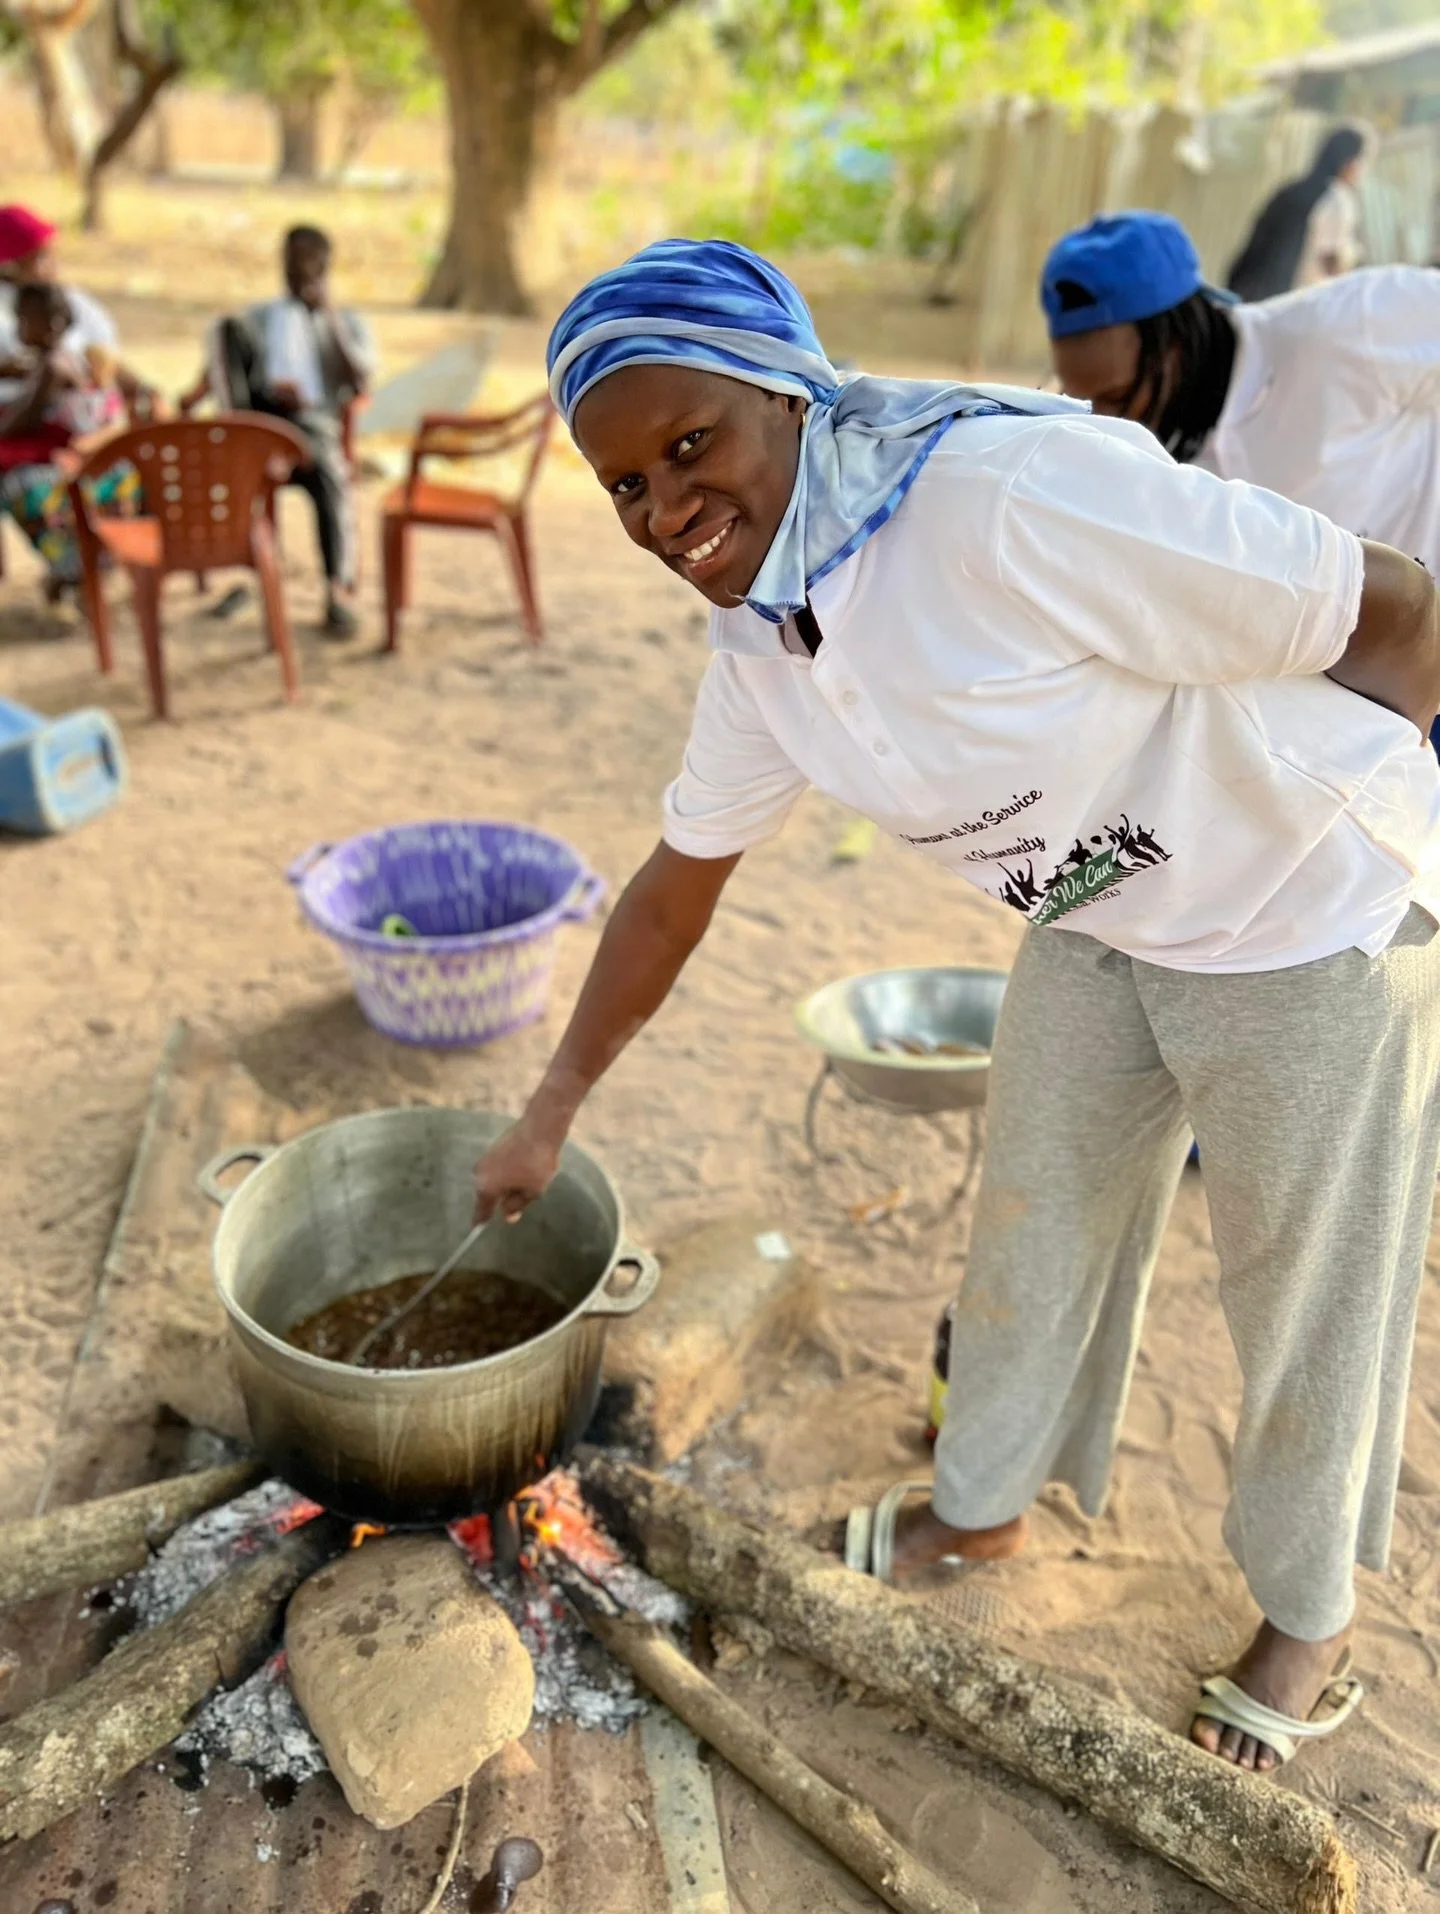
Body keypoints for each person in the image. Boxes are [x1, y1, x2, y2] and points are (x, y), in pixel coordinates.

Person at [471, 238, 1440, 1777]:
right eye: (624, 487)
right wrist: (551, 1107)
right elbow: (675, 884)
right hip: (1107, 915)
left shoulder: (1003, 499)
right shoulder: (764, 636)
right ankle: (980, 1508)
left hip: (1307, 912)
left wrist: (1364, 796)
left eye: (688, 446)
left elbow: (1387, 604)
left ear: (788, 389)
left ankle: (1307, 1616)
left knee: (1300, 1287)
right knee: (1035, 1218)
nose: (664, 511)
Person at [1041, 211, 1440, 757]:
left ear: (1178, 341)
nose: (1108, 420)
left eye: (1116, 394)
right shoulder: (1161, 459)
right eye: (1085, 399)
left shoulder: (1347, 332)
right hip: (1345, 715)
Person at [179, 225, 374, 637]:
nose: (295, 268)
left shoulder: (346, 321)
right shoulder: (259, 317)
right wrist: (192, 400)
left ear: (324, 265)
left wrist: (329, 317)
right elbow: (221, 368)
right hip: (260, 416)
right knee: (224, 329)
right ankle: (248, 570)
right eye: (290, 258)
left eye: (305, 260)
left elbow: (360, 382)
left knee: (329, 473)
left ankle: (338, 589)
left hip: (314, 423)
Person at [0, 283, 140, 601]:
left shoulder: (54, 366)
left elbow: (15, 425)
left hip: (81, 467)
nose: (18, 328)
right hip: (100, 463)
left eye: (24, 320)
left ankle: (75, 572)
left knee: (20, 487)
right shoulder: (76, 358)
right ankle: (73, 574)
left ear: (51, 324)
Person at [0, 205, 137, 410]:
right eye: (41, 256)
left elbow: (107, 360)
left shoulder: (68, 299)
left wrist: (144, 391)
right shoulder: (10, 306)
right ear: (10, 264)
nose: (53, 264)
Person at [1226, 126, 1368, 302]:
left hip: (1250, 296)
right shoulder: (1337, 200)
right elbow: (1332, 264)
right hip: (1293, 304)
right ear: (1350, 161)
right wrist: (1352, 257)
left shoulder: (1291, 190)